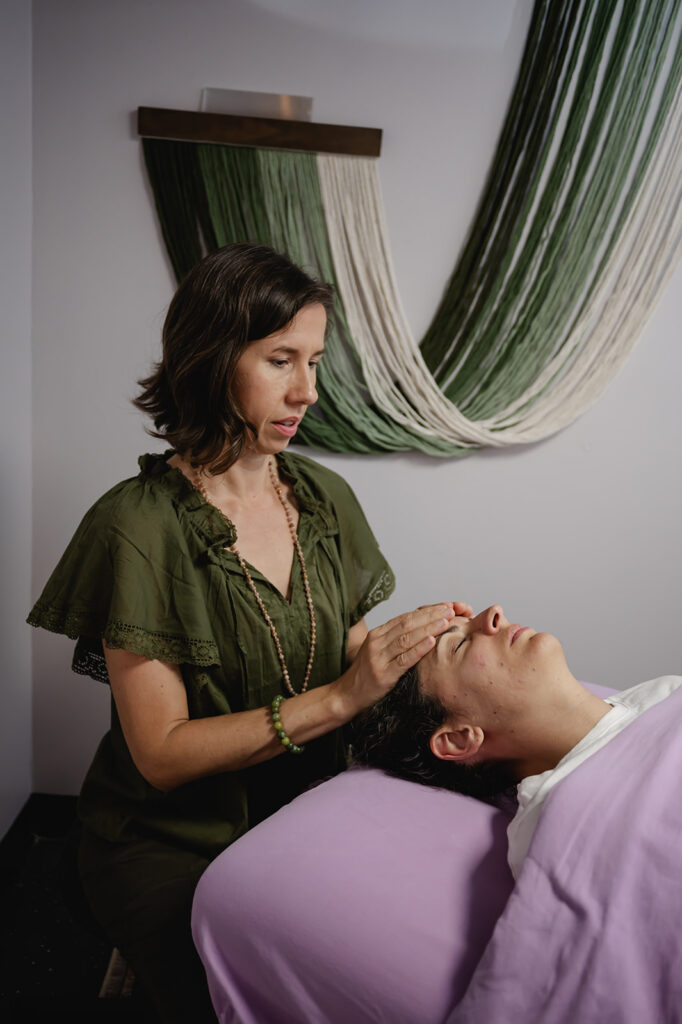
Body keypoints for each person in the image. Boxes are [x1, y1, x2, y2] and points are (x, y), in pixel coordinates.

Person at [28, 242, 469, 1023]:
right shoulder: (135, 526)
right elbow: (161, 757)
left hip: (308, 805)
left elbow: (352, 656)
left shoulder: (323, 497)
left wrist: (424, 653)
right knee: (242, 1002)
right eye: (280, 360)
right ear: (210, 358)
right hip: (168, 836)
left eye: (316, 361)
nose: (308, 390)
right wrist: (337, 701)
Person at [352, 603, 681, 878]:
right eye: (460, 644)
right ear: (458, 739)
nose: (493, 613)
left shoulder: (664, 692)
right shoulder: (575, 829)